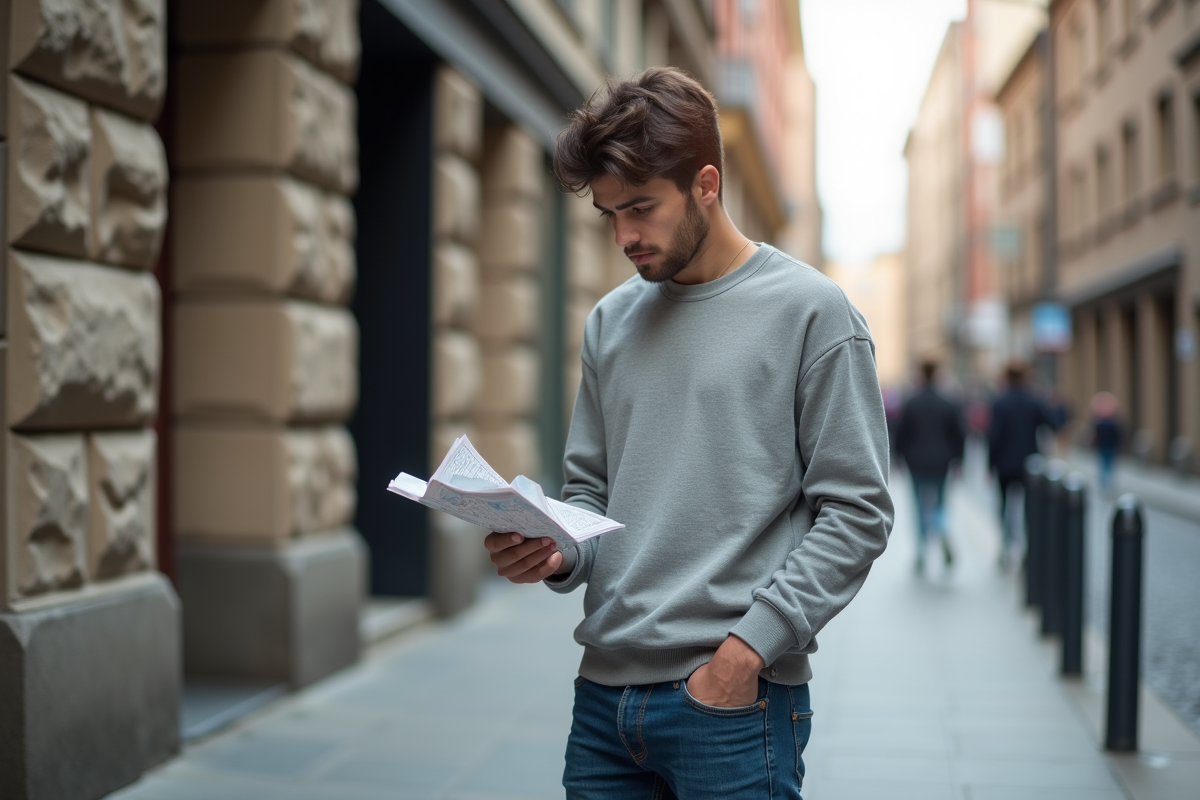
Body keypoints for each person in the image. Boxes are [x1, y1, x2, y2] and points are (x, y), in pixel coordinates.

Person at [483, 67, 893, 799]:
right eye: (609, 215)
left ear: (707, 183)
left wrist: (745, 654)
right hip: (603, 704)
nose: (625, 236)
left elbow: (858, 513)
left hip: (733, 703)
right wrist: (554, 550)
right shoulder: (609, 321)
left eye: (640, 208)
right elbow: (591, 493)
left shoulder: (812, 313)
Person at [894, 360, 965, 573]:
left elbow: (901, 432)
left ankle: (923, 550)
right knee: (940, 504)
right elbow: (958, 435)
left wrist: (898, 457)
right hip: (942, 462)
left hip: (916, 463)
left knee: (918, 507)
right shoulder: (948, 402)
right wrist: (959, 460)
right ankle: (941, 530)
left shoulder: (912, 402)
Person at [987, 361, 1057, 567]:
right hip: (1029, 464)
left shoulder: (1000, 402)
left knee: (1004, 506)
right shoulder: (1033, 400)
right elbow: (1052, 422)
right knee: (1030, 509)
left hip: (1004, 464)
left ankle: (1006, 546)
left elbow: (994, 436)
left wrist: (989, 464)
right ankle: (1028, 549)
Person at [1091, 391, 1122, 493]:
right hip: (1106, 447)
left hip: (1107, 447)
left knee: (1105, 465)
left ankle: (1106, 482)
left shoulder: (1101, 422)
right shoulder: (1112, 422)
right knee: (1107, 465)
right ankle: (1107, 482)